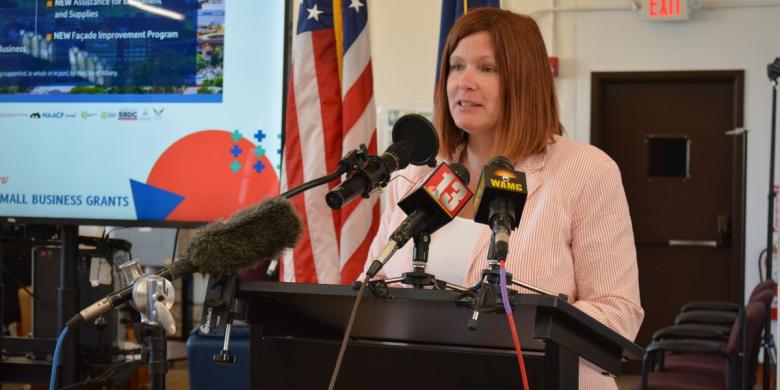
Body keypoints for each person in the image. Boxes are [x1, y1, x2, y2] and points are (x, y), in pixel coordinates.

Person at [364, 8, 643, 390]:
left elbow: (618, 312)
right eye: (456, 66)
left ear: (524, 80)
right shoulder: (415, 174)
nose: (464, 82)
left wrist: (514, 329)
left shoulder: (586, 171)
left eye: (487, 69)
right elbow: (373, 282)